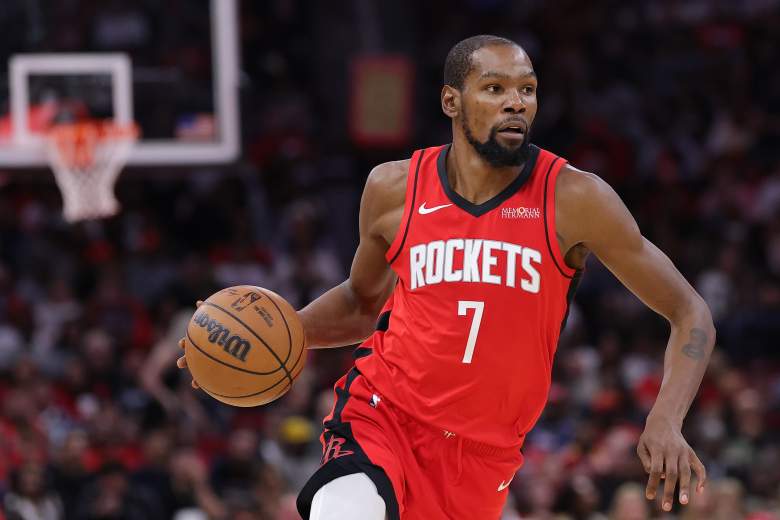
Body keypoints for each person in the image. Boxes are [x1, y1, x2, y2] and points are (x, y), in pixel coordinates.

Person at [178, 34, 714, 520]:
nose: (516, 102)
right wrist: (272, 339)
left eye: (527, 89)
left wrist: (665, 419)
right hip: (382, 415)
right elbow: (363, 306)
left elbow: (690, 313)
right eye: (495, 87)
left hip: (482, 458)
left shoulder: (575, 198)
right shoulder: (393, 189)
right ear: (451, 101)